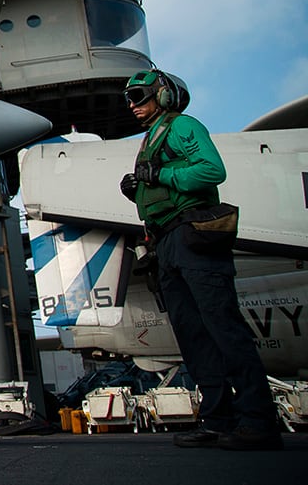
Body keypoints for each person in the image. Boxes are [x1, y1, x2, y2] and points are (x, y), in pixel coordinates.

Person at [119, 69, 282, 451]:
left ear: (164, 94)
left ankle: (258, 421)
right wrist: (138, 188)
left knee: (222, 327)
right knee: (193, 336)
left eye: (139, 95)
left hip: (193, 235)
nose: (133, 104)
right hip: (167, 242)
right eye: (129, 98)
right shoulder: (153, 136)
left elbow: (212, 171)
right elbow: (165, 187)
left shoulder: (181, 126)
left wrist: (160, 173)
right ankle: (218, 419)